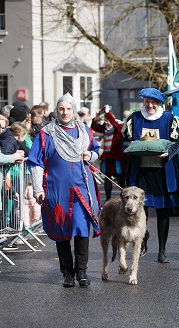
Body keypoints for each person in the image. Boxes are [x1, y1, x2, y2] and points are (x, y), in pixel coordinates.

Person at [27, 93, 101, 288]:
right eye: (61, 109)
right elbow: (35, 162)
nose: (65, 112)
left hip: (82, 188)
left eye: (69, 109)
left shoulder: (85, 130)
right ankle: (67, 273)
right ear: (57, 111)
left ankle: (82, 272)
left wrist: (91, 155)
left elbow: (96, 149)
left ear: (74, 110)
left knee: (81, 228)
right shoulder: (46, 133)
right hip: (57, 189)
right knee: (61, 230)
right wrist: (37, 188)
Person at [122, 87, 179, 263]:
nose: (150, 105)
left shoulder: (170, 119)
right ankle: (143, 237)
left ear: (159, 103)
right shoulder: (134, 119)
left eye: (153, 102)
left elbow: (177, 142)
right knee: (141, 210)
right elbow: (124, 141)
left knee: (163, 212)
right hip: (140, 172)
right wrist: (130, 145)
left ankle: (162, 250)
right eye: (147, 102)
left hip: (162, 172)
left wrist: (168, 153)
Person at [90, 105, 126, 201]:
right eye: (106, 120)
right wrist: (97, 117)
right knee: (107, 177)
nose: (107, 122)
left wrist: (107, 113)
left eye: (108, 120)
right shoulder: (105, 127)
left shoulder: (119, 126)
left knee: (120, 178)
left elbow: (116, 126)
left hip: (117, 157)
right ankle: (108, 199)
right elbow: (94, 127)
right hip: (107, 157)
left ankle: (125, 196)